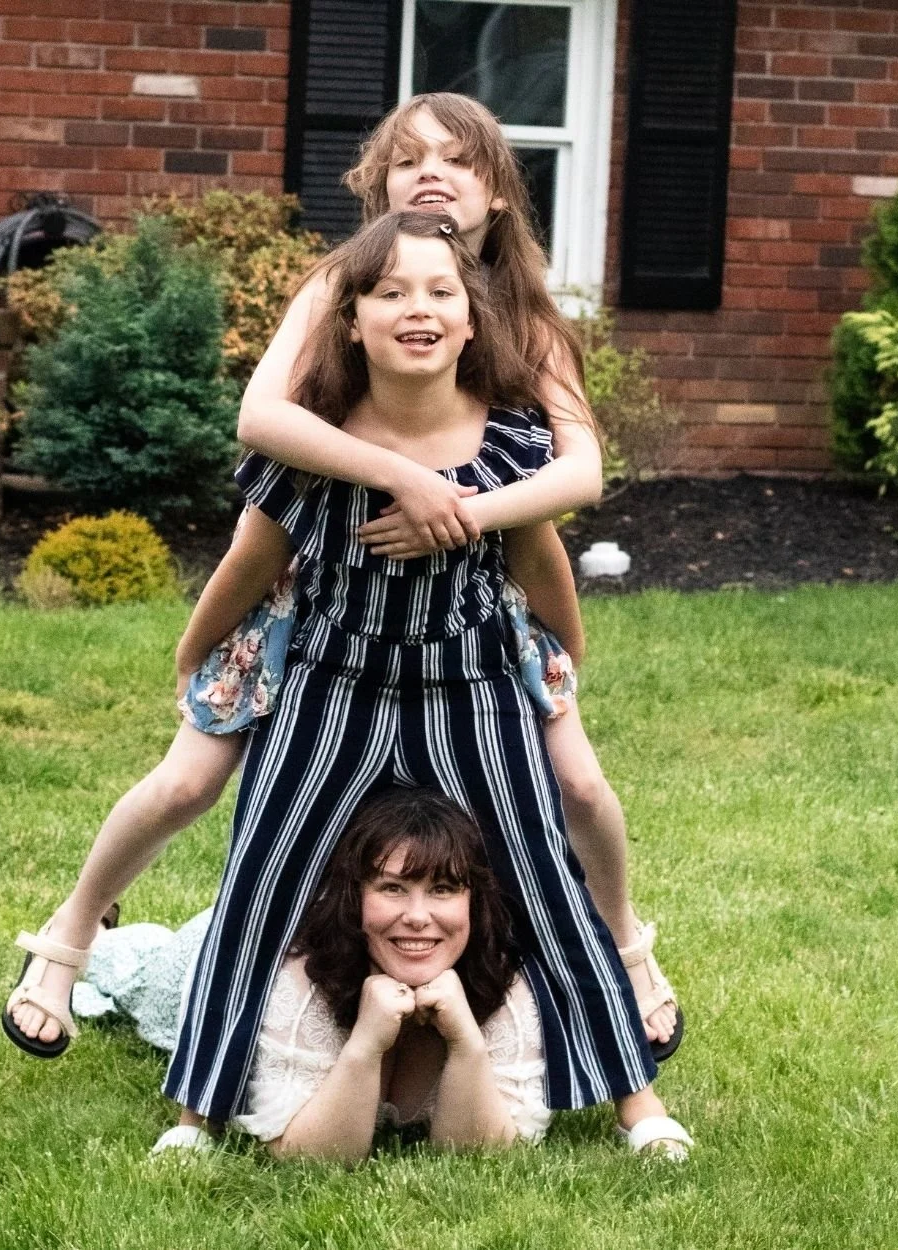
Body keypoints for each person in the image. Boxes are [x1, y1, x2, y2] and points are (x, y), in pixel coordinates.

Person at [3, 91, 678, 1063]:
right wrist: (401, 475)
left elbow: (576, 475)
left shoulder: (526, 321)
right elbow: (260, 423)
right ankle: (68, 939)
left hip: (474, 599)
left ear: (498, 196)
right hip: (311, 589)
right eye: (409, 160)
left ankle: (625, 951)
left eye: (460, 160)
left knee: (575, 780)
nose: (433, 173)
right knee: (187, 777)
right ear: (376, 187)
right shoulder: (339, 285)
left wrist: (457, 513)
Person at [158, 210, 687, 1155]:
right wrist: (194, 652)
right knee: (260, 877)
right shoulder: (311, 451)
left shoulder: (515, 449)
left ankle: (635, 1105)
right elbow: (249, 560)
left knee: (541, 871)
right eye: (390, 291)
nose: (419, 309)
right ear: (350, 319)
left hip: (473, 690)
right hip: (333, 691)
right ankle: (197, 1114)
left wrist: (565, 657)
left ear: (473, 321)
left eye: (442, 291)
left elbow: (542, 566)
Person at [77, 789, 690, 1159]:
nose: (418, 918)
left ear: (474, 901)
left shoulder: (512, 984)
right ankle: (96, 937)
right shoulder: (293, 979)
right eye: (392, 888)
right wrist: (367, 1041)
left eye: (443, 889)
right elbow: (304, 1157)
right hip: (202, 958)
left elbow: (483, 1153)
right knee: (138, 974)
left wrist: (465, 1041)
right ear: (355, 895)